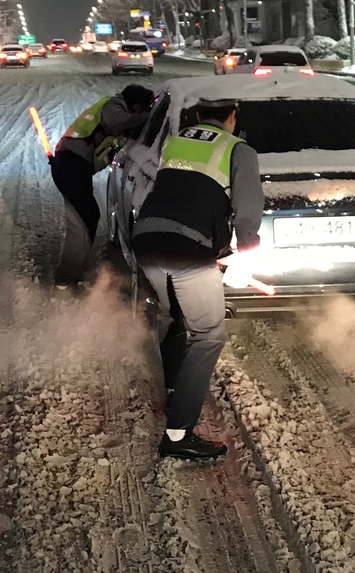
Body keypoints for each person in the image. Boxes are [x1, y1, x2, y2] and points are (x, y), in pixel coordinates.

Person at [132, 100, 264, 461]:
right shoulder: (238, 149)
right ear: (231, 117)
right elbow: (248, 208)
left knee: (172, 315)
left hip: (146, 240)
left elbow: (181, 194)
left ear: (197, 118)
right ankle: (177, 436)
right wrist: (246, 254)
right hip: (187, 250)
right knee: (208, 335)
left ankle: (174, 389)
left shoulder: (175, 141)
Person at [52, 85, 155, 238]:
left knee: (84, 217)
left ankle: (79, 259)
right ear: (136, 106)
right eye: (143, 109)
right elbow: (118, 121)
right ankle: (75, 261)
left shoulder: (120, 111)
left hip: (73, 163)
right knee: (85, 217)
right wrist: (149, 116)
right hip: (71, 163)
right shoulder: (113, 105)